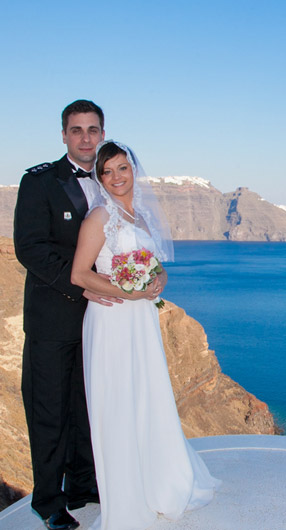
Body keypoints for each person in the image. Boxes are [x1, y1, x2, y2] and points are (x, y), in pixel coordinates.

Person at [71, 140, 220, 530]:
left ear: (133, 170)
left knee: (147, 395)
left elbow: (154, 266)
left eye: (123, 168)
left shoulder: (138, 217)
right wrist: (128, 292)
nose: (117, 177)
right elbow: (80, 274)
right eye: (108, 171)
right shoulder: (100, 217)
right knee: (118, 402)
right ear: (99, 177)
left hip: (141, 321)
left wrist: (160, 279)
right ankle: (127, 497)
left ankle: (158, 481)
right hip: (112, 321)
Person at [14, 100, 122, 530]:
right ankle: (48, 502)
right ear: (64, 135)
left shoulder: (110, 181)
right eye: (76, 130)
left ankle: (83, 485)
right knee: (49, 411)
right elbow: (30, 248)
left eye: (92, 130)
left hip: (101, 321)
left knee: (85, 406)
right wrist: (82, 286)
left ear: (102, 133)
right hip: (53, 320)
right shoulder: (39, 182)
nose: (85, 138)